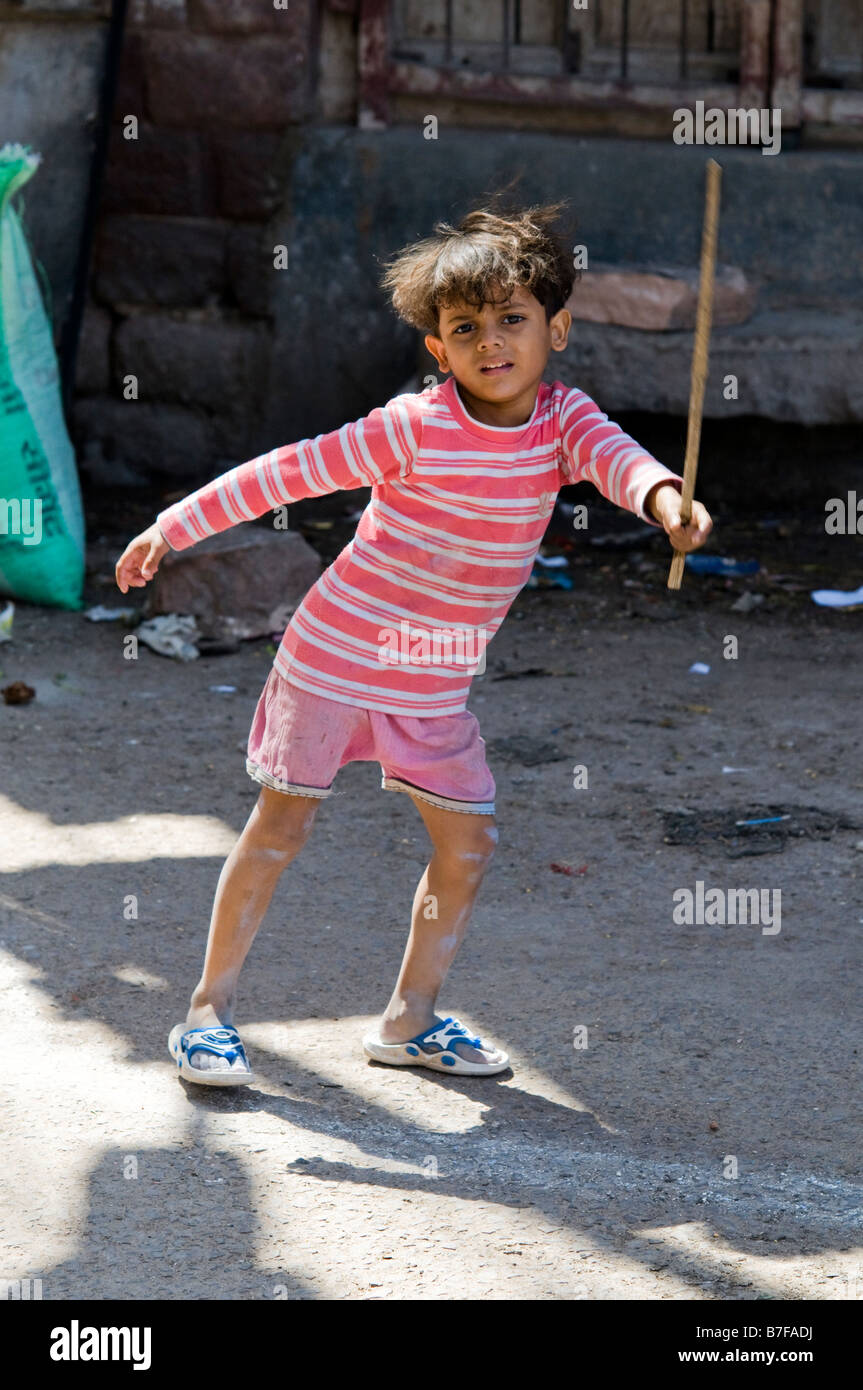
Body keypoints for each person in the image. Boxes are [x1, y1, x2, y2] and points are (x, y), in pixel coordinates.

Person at [115, 201, 713, 1086]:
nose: (491, 343)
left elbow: (622, 462)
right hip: (337, 654)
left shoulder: (563, 421)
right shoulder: (412, 426)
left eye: (512, 320)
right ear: (438, 349)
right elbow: (290, 469)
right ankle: (206, 1013)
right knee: (280, 828)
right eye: (464, 328)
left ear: (558, 326)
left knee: (468, 845)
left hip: (435, 682)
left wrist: (670, 504)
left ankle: (409, 1020)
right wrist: (174, 525)